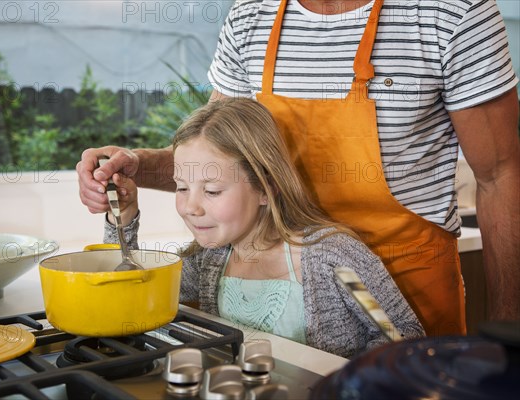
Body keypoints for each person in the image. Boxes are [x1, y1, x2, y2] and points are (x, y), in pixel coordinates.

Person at [77, 0, 520, 336]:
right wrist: (135, 166)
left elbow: (502, 176)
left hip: (410, 289)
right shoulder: (252, 15)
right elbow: (220, 159)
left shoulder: (455, 13)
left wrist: (509, 333)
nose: (194, 206)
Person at [103, 98, 424, 358]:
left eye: (212, 191)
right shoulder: (208, 260)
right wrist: (124, 218)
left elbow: (401, 338)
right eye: (182, 187)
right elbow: (129, 294)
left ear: (265, 188)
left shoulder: (334, 257)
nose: (190, 206)